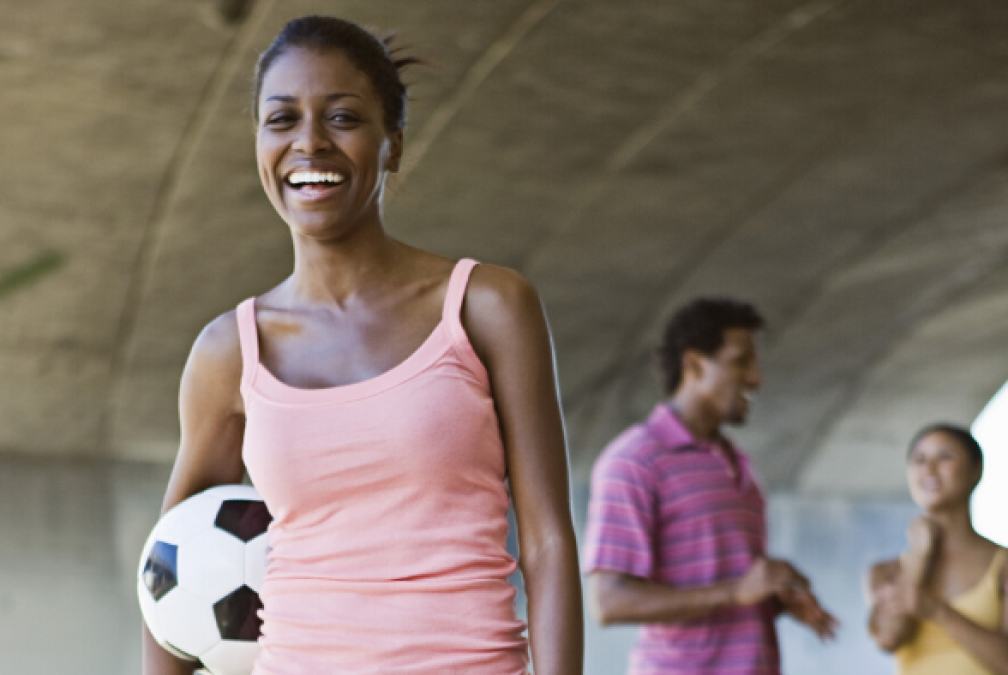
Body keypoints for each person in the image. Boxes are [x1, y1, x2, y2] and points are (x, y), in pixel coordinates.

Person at [143, 16, 583, 675]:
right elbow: (166, 576)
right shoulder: (229, 350)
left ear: (393, 144)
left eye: (343, 117)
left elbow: (547, 542)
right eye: (282, 119)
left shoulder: (487, 306)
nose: (309, 144)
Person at [583, 298, 837, 675]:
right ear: (694, 365)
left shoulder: (739, 465)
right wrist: (736, 591)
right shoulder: (634, 460)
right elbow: (610, 601)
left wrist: (775, 595)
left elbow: (724, 584)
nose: (756, 377)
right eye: (741, 361)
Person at [867, 425, 1008, 675]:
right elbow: (888, 638)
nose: (928, 468)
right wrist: (920, 554)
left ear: (975, 471)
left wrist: (936, 611)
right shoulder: (886, 571)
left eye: (944, 456)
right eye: (919, 459)